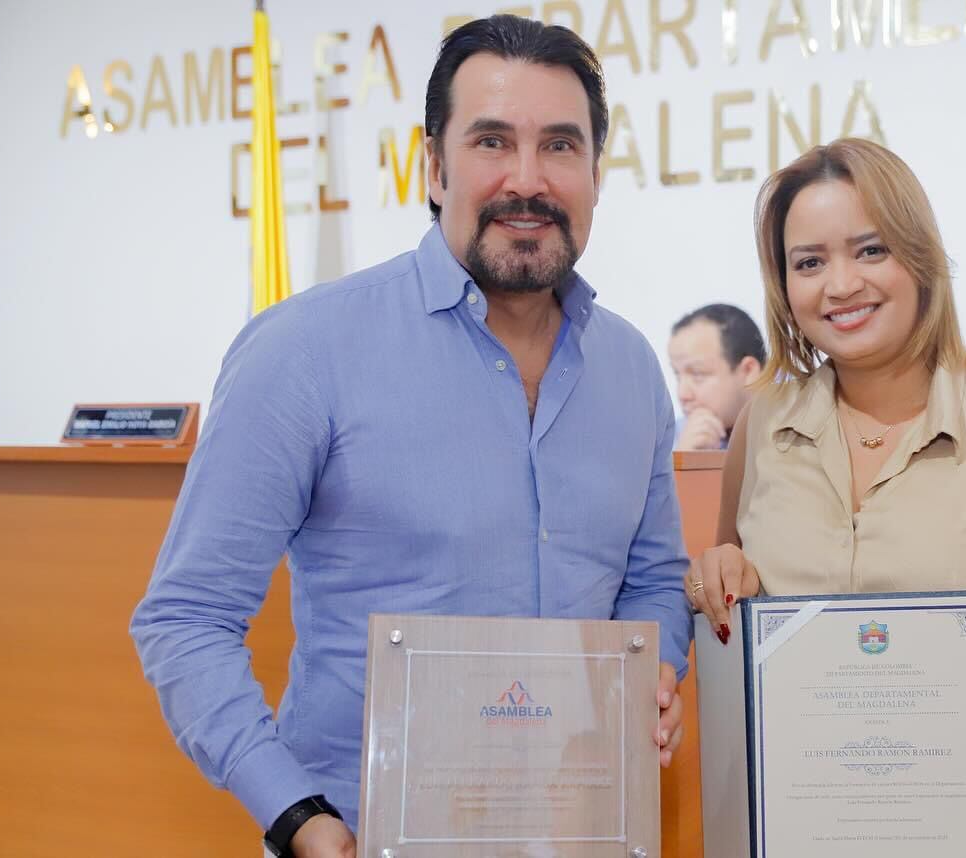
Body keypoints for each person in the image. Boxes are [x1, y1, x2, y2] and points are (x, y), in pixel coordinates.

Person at [130, 16, 691, 858]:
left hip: (581, 837)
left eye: (561, 147)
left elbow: (652, 580)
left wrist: (656, 666)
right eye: (492, 141)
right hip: (361, 839)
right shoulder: (304, 351)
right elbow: (186, 617)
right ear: (433, 166)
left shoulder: (632, 369)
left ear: (596, 174)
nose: (527, 180)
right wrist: (296, 816)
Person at [686, 138, 966, 858]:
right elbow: (734, 595)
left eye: (869, 251)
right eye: (808, 262)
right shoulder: (762, 427)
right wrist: (718, 576)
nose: (839, 285)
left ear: (920, 257)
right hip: (801, 821)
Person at [668, 303, 766, 450]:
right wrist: (684, 461)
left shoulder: (796, 429)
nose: (682, 395)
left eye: (697, 374)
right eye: (678, 375)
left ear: (748, 371)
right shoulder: (680, 435)